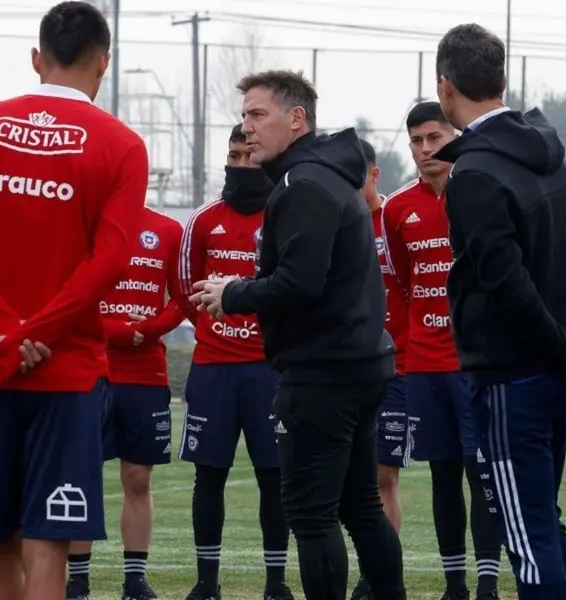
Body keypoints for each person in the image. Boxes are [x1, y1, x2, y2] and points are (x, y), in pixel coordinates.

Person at [0, 2, 147, 599]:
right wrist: (33, 332)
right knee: (49, 547)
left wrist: (3, 331)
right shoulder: (120, 144)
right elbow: (111, 259)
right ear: (104, 63)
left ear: (37, 59)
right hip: (64, 372)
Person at [193, 69, 405, 600]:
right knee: (358, 507)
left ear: (296, 118)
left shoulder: (302, 183)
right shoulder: (322, 174)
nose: (247, 130)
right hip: (356, 362)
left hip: (324, 372)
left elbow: (300, 282)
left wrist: (233, 293)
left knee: (311, 516)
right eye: (244, 117)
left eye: (259, 115)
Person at [433, 23, 566, 600]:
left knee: (527, 538)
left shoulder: (475, 174)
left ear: (445, 88)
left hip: (514, 378)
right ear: (503, 78)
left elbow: (508, 288)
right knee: (543, 524)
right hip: (559, 372)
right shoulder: (558, 160)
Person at [381, 101, 502, 600]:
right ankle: (455, 584)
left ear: (454, 136)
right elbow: (401, 287)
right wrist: (410, 351)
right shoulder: (396, 208)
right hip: (424, 367)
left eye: (435, 138)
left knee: (483, 473)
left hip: (476, 366)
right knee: (442, 474)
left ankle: (489, 584)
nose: (427, 150)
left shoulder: (481, 192)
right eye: (417, 141)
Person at [176, 123, 291, 600]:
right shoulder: (204, 220)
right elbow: (186, 291)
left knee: (274, 477)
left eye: (248, 156)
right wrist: (214, 328)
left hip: (268, 369)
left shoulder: (286, 215)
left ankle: (275, 584)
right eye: (233, 157)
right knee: (210, 476)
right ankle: (207, 583)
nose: (240, 165)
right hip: (215, 368)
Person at [66, 205, 186, 600]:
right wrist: (115, 330)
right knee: (80, 476)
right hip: (89, 368)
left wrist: (148, 329)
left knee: (138, 477)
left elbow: (181, 298)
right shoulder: (81, 226)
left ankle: (135, 580)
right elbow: (69, 296)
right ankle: (78, 580)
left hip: (145, 374)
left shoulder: (167, 230)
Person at [349, 138, 411, 600]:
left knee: (386, 474)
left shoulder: (394, 218)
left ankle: (385, 575)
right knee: (369, 477)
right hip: (355, 368)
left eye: (359, 175)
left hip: (405, 364)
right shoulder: (338, 219)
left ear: (374, 175)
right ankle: (372, 572)